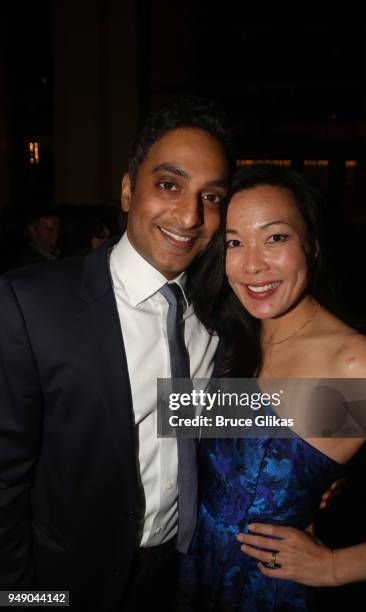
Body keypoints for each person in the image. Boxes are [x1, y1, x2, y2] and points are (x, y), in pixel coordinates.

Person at [0, 98, 231, 611]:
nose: (190, 215)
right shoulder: (29, 304)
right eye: (168, 185)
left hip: (179, 580)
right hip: (63, 584)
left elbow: (222, 416)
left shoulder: (222, 315)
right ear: (129, 190)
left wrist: (325, 454)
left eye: (211, 197)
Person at [178, 164, 366, 611]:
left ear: (314, 246)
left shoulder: (352, 364)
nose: (252, 264)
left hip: (265, 594)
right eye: (234, 242)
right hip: (189, 580)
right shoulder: (230, 333)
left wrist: (336, 567)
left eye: (276, 237)